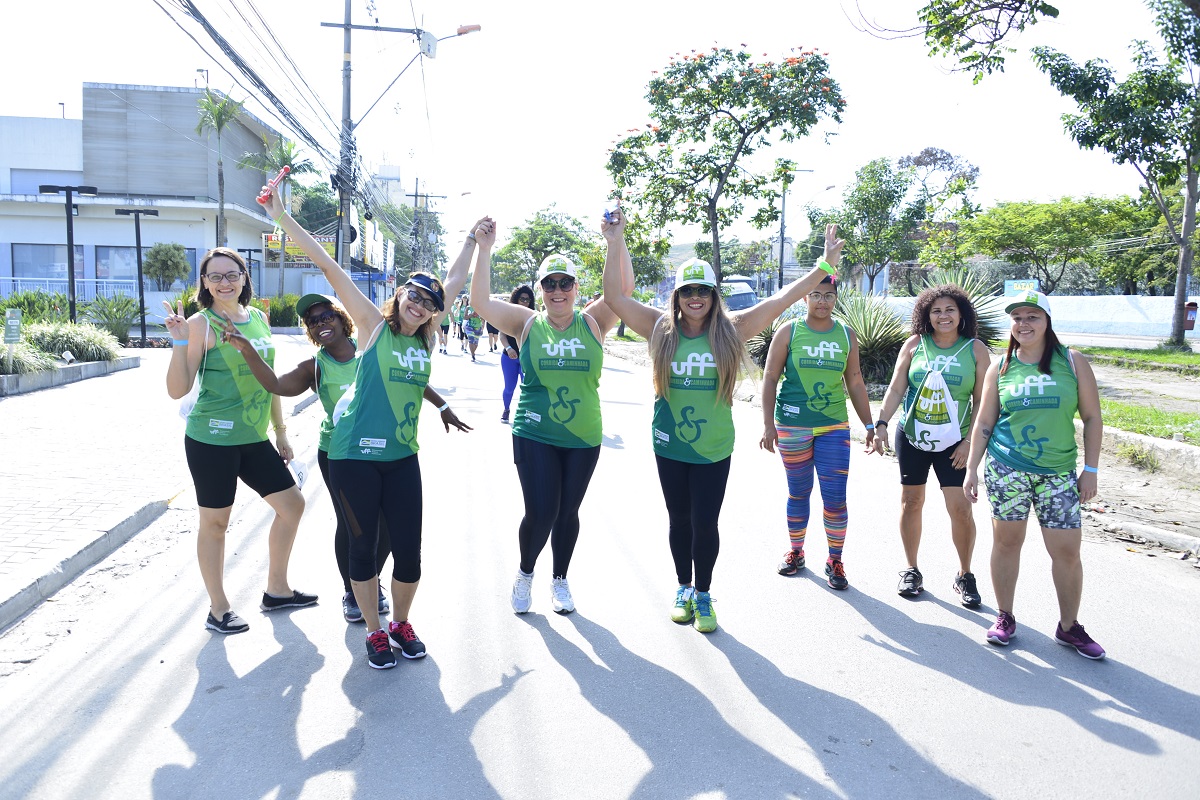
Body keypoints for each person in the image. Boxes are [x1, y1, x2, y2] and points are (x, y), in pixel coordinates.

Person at [264, 184, 480, 669]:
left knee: (409, 553)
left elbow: (455, 279)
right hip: (351, 459)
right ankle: (376, 633)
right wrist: (281, 215)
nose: (421, 305)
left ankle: (401, 622)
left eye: (430, 302)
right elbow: (329, 267)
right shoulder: (373, 326)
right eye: (415, 296)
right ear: (400, 295)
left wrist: (471, 240)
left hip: (402, 458)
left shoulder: (425, 341)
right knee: (362, 546)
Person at [603, 220, 844, 633]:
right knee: (678, 519)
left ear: (714, 296)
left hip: (715, 445)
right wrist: (615, 241)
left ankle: (703, 594)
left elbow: (787, 296)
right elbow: (614, 296)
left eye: (703, 291)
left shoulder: (732, 330)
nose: (695, 298)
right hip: (669, 443)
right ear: (677, 296)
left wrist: (824, 264)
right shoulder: (661, 329)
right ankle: (683, 588)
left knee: (705, 522)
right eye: (688, 290)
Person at [215, 293, 470, 625]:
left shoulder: (372, 342)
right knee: (355, 529)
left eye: (327, 316)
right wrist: (247, 349)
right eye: (312, 321)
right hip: (340, 454)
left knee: (390, 529)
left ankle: (368, 579)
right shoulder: (315, 366)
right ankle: (354, 591)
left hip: (389, 450)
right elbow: (276, 384)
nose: (321, 324)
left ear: (342, 318)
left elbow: (406, 376)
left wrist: (442, 405)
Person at [468, 221, 631, 616]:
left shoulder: (594, 321)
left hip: (584, 435)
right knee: (541, 511)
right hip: (535, 431)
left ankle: (560, 579)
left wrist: (616, 241)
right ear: (540, 289)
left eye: (565, 283)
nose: (557, 291)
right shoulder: (526, 323)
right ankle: (525, 574)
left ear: (575, 287)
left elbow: (622, 291)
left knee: (568, 512)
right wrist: (483, 248)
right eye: (550, 284)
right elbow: (481, 303)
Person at [162, 248, 313, 635]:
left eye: (232, 274)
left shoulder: (258, 318)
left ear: (245, 278)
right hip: (211, 439)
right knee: (216, 523)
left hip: (252, 436)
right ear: (205, 283)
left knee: (292, 505)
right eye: (215, 276)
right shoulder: (200, 324)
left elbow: (270, 380)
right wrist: (179, 343)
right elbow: (177, 391)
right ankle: (218, 609)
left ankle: (277, 590)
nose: (225, 282)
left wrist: (280, 433)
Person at [964, 290, 1105, 659]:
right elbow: (984, 421)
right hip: (1006, 468)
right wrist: (972, 469)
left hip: (1058, 472)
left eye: (1032, 317)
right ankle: (1005, 616)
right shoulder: (1001, 366)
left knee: (1067, 552)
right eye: (1017, 318)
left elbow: (1092, 417)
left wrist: (1090, 470)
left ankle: (1069, 627)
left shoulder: (1072, 362)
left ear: (1047, 321)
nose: (1023, 324)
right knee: (1007, 543)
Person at [760, 255, 876, 592]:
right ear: (805, 297)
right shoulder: (789, 331)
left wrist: (869, 426)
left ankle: (835, 558)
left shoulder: (846, 334)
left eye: (828, 296)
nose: (822, 301)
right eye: (816, 295)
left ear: (836, 299)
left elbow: (854, 381)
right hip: (792, 426)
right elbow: (769, 379)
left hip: (833, 427)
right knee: (798, 493)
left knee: (835, 497)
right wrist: (768, 424)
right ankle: (796, 552)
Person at [872, 285, 990, 607]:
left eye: (950, 309)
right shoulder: (914, 346)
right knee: (911, 502)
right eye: (936, 311)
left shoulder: (976, 350)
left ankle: (965, 575)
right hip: (913, 437)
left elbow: (982, 400)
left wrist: (969, 442)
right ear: (927, 315)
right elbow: (896, 389)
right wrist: (881, 424)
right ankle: (911, 570)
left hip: (956, 443)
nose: (943, 316)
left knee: (961, 509)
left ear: (961, 314)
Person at [499, 286, 535, 423]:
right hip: (509, 357)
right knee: (509, 388)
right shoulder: (508, 315)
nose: (525, 302)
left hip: (526, 358)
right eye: (522, 299)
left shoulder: (534, 316)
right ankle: (506, 409)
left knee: (528, 388)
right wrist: (509, 348)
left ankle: (527, 413)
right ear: (516, 299)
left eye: (527, 299)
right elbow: (502, 335)